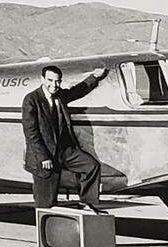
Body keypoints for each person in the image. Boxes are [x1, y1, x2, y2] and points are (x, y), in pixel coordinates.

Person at [21, 65, 108, 213]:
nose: (54, 85)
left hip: (65, 151)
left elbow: (77, 91)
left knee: (91, 166)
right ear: (42, 79)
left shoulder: (59, 95)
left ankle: (87, 203)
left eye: (57, 81)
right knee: (45, 205)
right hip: (45, 156)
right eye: (50, 80)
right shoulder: (31, 100)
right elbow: (31, 133)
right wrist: (43, 157)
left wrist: (94, 77)